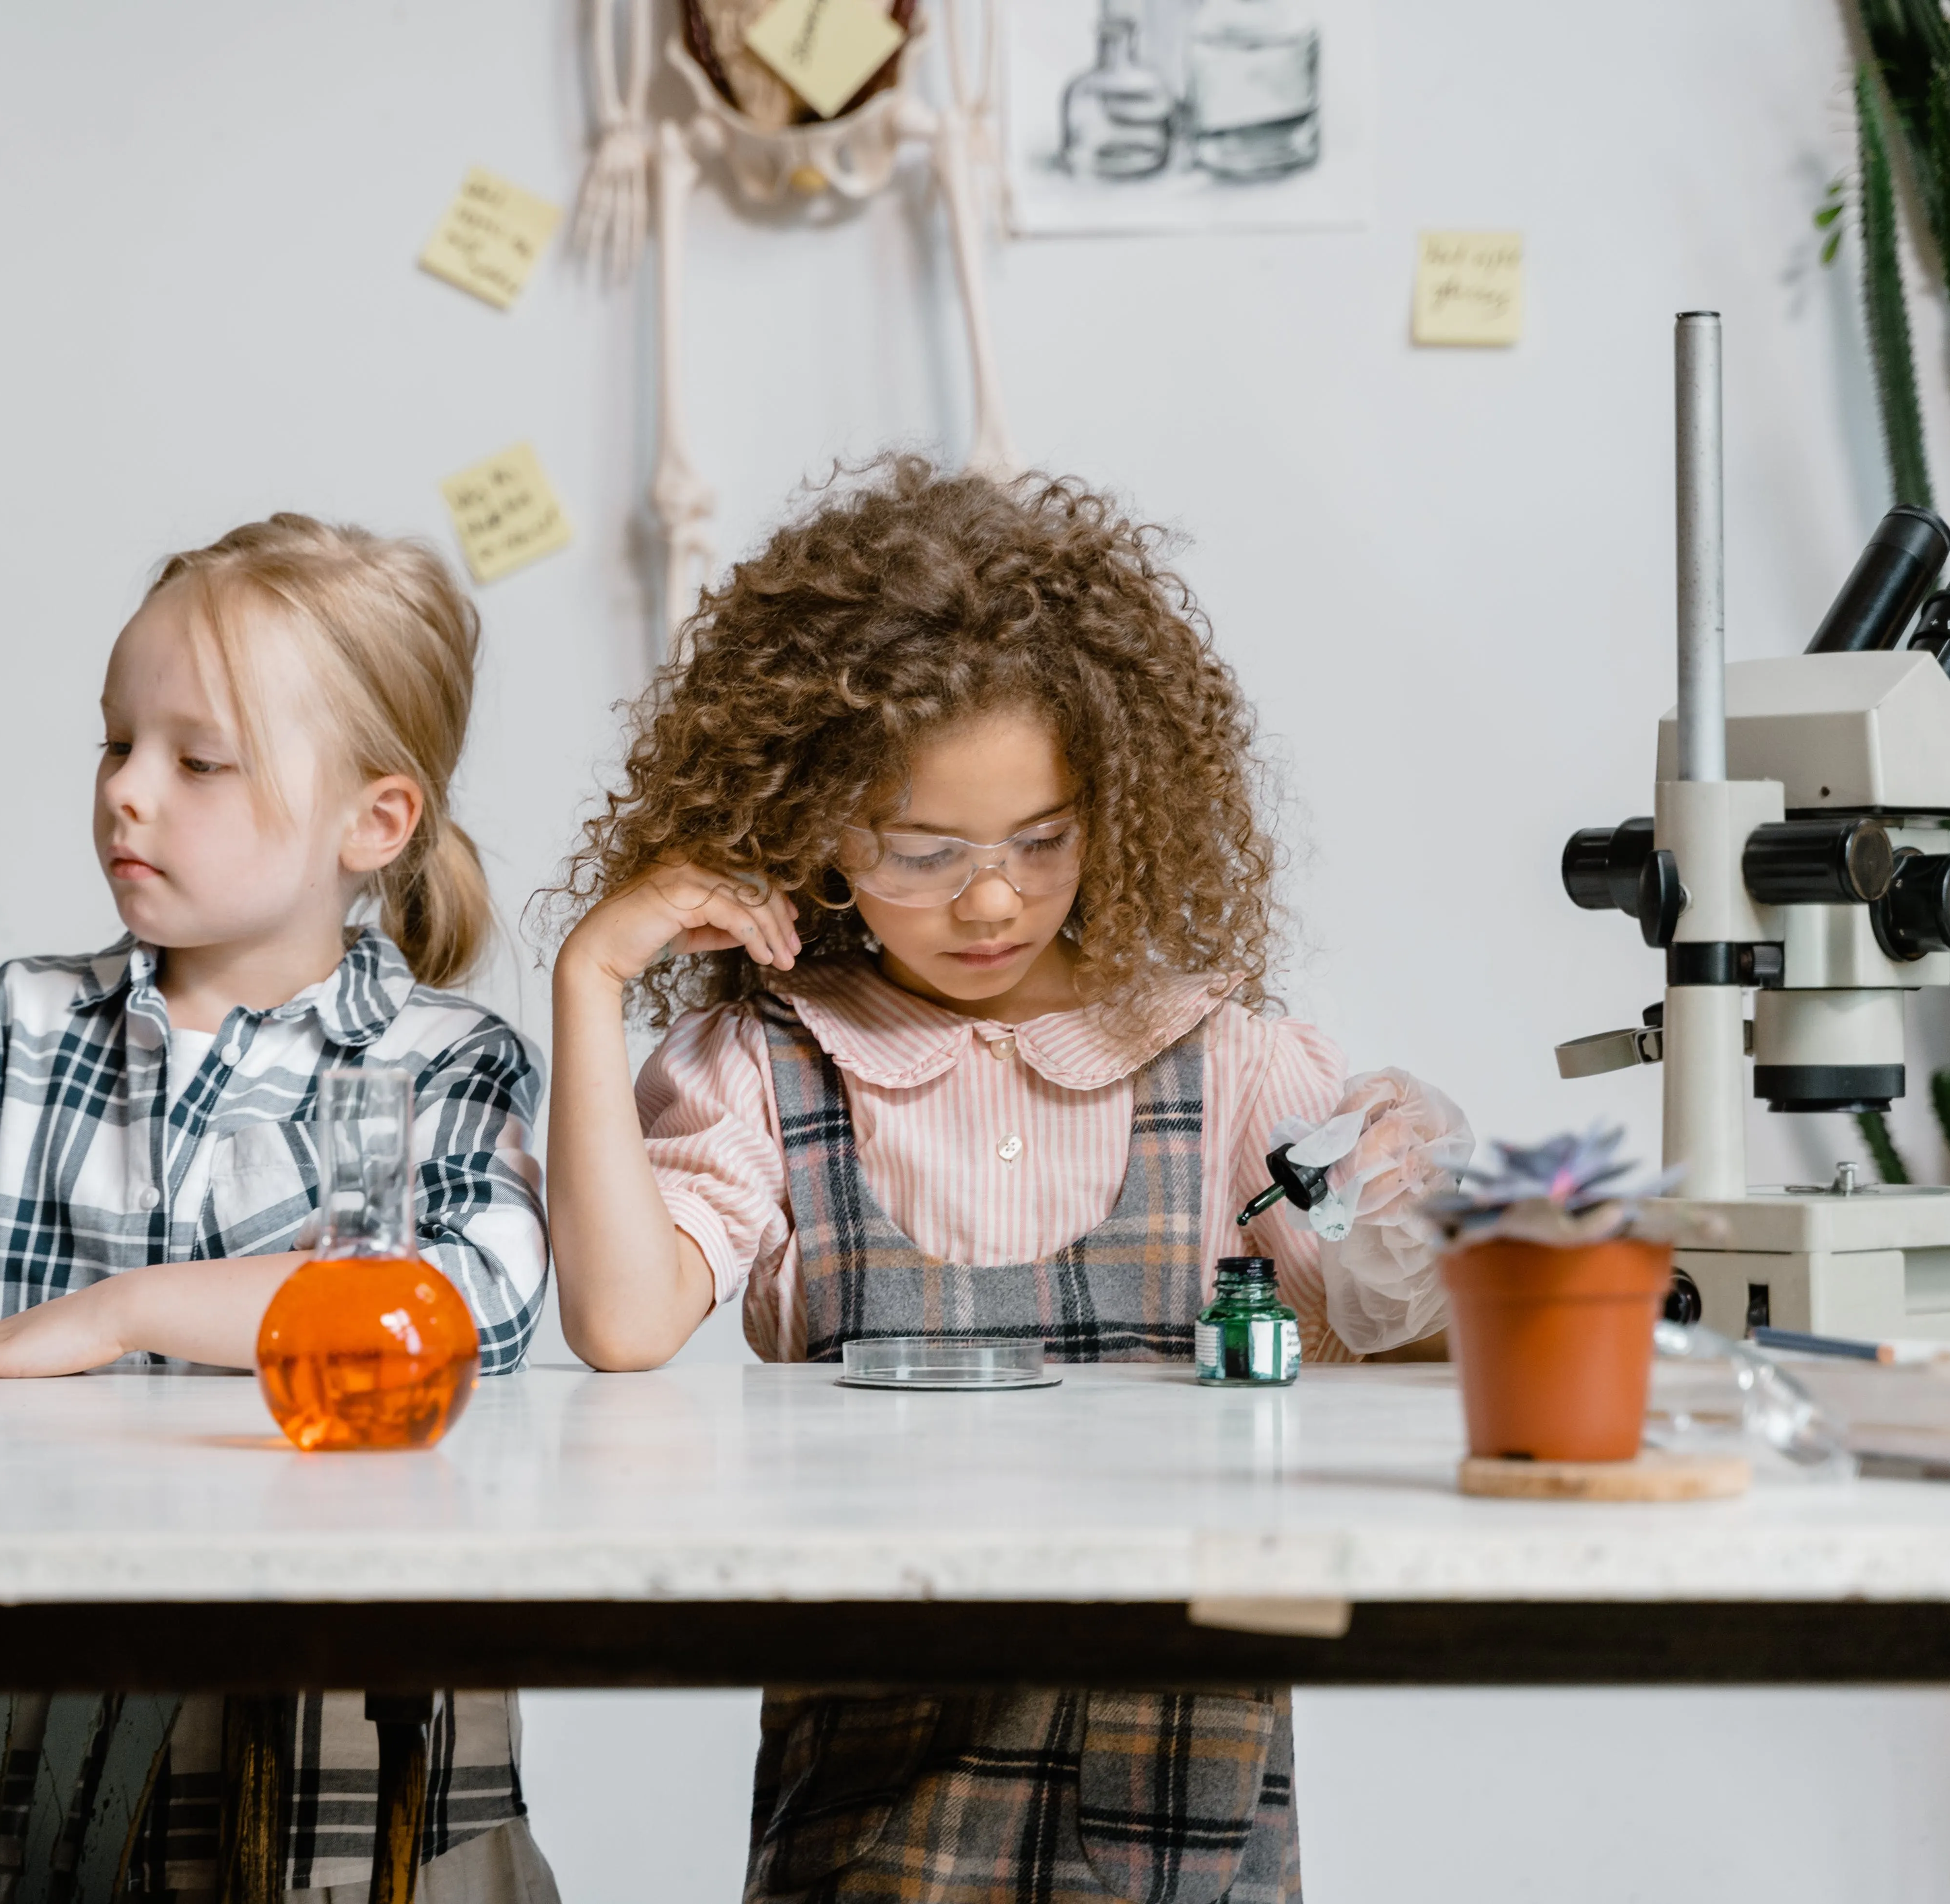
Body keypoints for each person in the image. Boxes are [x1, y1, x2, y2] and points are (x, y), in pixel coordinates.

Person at [545, 457, 1471, 1902]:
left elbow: (1388, 1332)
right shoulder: (770, 1069)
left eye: (1044, 842)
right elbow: (619, 1322)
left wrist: (1426, 1215)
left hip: (1186, 1799)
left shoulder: (1222, 1059)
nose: (992, 900)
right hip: (880, 1799)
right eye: (925, 852)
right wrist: (593, 973)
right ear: (819, 842)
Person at [0, 513, 558, 1900]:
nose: (128, 794)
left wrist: (123, 1314)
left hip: (355, 1783)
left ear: (375, 820)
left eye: (198, 761)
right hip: (26, 1764)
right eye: (116, 744)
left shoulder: (452, 1064)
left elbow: (464, 1320)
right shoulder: (13, 1027)